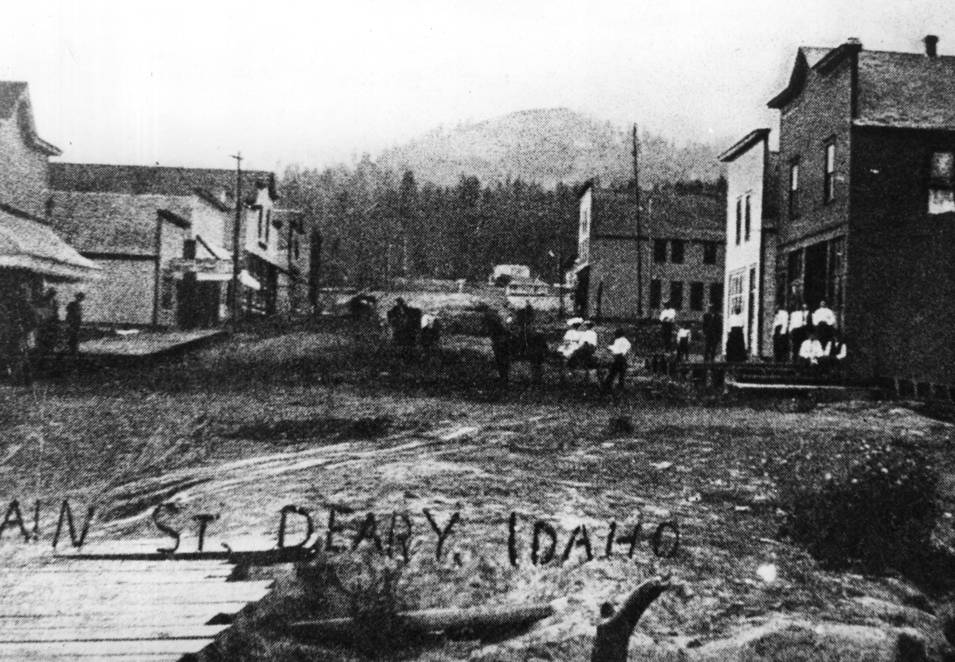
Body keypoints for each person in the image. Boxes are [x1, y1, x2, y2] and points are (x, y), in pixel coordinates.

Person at [36, 288, 60, 357]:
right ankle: (43, 351)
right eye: (51, 294)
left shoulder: (54, 302)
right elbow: (40, 311)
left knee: (51, 336)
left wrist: (55, 316)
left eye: (53, 294)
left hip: (51, 321)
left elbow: (55, 311)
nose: (52, 295)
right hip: (45, 321)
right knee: (44, 337)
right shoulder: (43, 301)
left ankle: (50, 350)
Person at [65, 292, 85, 357]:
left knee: (75, 336)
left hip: (76, 323)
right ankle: (72, 350)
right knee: (73, 336)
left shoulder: (77, 305)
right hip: (73, 323)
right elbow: (69, 314)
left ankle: (74, 350)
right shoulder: (73, 304)